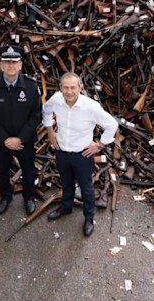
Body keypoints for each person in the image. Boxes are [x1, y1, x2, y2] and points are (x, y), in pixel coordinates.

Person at [42, 72, 118, 237]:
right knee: (66, 183)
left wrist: (100, 145)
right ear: (60, 88)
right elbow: (45, 111)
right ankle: (66, 207)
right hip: (62, 152)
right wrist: (50, 132)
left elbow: (112, 124)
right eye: (65, 88)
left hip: (82, 155)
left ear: (80, 88)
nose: (69, 91)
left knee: (86, 188)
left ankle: (89, 218)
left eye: (73, 88)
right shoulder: (56, 99)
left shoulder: (91, 107)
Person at [0, 45, 42, 215]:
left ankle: (29, 197)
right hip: (2, 141)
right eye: (6, 62)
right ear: (0, 65)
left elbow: (36, 115)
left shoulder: (31, 87)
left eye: (14, 62)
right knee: (2, 169)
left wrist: (20, 138)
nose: (10, 66)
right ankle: (5, 196)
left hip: (25, 140)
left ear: (21, 65)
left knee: (29, 169)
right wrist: (5, 139)